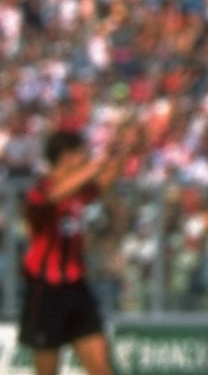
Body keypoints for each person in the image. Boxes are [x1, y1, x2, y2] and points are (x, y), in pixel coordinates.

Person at [20, 129, 125, 375]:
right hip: (46, 291)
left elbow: (104, 180)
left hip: (77, 288)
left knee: (101, 368)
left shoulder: (80, 191)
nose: (86, 157)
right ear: (65, 156)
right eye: (80, 153)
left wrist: (122, 151)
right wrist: (94, 166)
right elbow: (53, 197)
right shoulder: (40, 190)